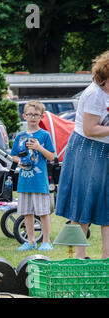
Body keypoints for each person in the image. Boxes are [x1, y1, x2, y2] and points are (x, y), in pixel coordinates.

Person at [55, 50, 109, 259]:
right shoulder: (94, 94)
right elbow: (90, 129)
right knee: (83, 200)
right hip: (87, 149)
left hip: (104, 150)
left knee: (106, 203)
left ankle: (107, 256)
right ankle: (80, 255)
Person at [11, 101, 55, 251]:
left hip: (39, 182)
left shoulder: (44, 135)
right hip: (24, 182)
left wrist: (38, 147)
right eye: (29, 114)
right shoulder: (20, 136)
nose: (32, 117)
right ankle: (30, 241)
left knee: (43, 212)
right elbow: (14, 156)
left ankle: (46, 241)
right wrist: (20, 162)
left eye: (36, 115)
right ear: (24, 116)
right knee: (27, 212)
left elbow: (51, 157)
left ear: (41, 116)